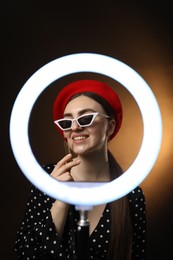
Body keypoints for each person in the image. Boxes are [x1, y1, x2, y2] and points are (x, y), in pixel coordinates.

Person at [15, 79, 146, 260]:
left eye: (86, 118)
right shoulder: (45, 179)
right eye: (67, 122)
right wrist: (60, 198)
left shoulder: (131, 193)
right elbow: (26, 254)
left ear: (110, 126)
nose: (75, 127)